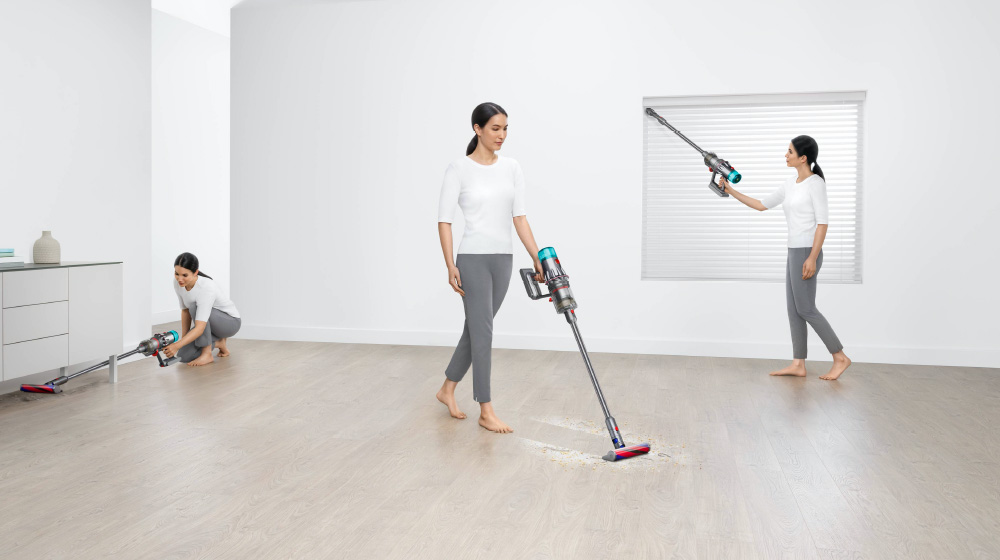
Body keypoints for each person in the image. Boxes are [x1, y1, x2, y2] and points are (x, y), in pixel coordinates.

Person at [436, 102, 545, 432]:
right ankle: (486, 409)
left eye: (506, 128)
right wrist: (450, 264)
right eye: (495, 128)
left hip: (504, 261)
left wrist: (536, 256)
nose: (502, 135)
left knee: (476, 330)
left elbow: (520, 218)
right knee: (484, 332)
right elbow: (444, 221)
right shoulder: (458, 169)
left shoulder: (512, 167)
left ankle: (446, 389)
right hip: (472, 260)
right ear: (477, 129)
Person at [720, 136, 851, 380]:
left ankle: (840, 357)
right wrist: (730, 190)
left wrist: (812, 257)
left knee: (807, 308)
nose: (785, 155)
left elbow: (823, 223)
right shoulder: (791, 183)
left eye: (790, 151)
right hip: (793, 251)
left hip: (806, 252)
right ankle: (798, 364)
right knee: (794, 310)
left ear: (803, 157)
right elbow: (761, 205)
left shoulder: (816, 183)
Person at [163, 252, 242, 366]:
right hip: (208, 324)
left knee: (194, 307)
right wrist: (183, 341)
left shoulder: (206, 287)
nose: (180, 279)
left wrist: (176, 345)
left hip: (230, 323)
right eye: (177, 274)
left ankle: (207, 354)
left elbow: (200, 328)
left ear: (195, 272)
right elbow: (185, 311)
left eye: (185, 275)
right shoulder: (178, 283)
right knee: (183, 356)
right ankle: (219, 343)